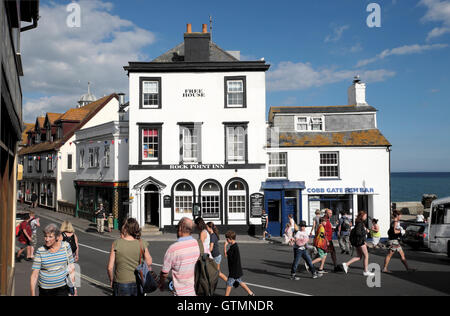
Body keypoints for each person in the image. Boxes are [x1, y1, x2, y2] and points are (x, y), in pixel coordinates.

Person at [107, 218, 152, 296]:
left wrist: (111, 280)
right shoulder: (142, 243)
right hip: (138, 282)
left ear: (126, 229)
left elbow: (110, 268)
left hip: (121, 283)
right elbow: (149, 262)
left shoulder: (116, 243)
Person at [159, 217, 200, 296]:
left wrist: (161, 283)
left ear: (180, 228)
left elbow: (164, 273)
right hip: (194, 291)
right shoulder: (197, 244)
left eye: (177, 227)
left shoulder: (173, 249)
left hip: (180, 292)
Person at [30, 224, 74, 296]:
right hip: (45, 291)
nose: (47, 239)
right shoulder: (40, 251)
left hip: (62, 289)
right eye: (45, 236)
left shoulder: (66, 247)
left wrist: (73, 289)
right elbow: (34, 275)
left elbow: (71, 268)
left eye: (50, 236)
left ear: (57, 237)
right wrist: (32, 294)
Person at [341, 211, 375, 277]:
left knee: (359, 256)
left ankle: (346, 264)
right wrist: (366, 232)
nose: (366, 217)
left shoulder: (358, 223)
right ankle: (365, 271)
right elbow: (358, 233)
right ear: (362, 216)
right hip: (360, 242)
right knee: (366, 256)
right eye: (365, 215)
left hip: (358, 242)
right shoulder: (360, 223)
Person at [224, 230, 255, 296]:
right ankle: (251, 293)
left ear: (230, 239)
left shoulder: (233, 248)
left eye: (227, 239)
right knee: (240, 281)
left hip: (234, 271)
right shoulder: (235, 246)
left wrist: (225, 246)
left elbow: (226, 255)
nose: (226, 241)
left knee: (229, 284)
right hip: (237, 269)